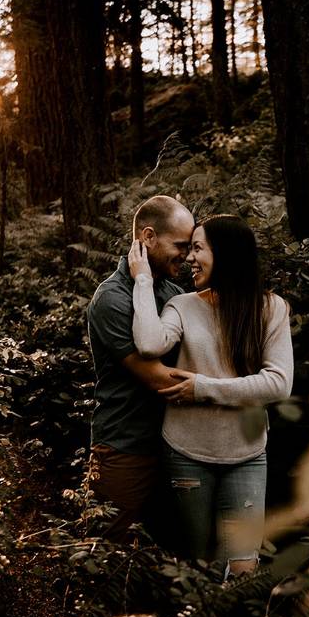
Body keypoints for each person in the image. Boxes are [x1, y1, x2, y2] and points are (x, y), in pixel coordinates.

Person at [127, 214, 293, 578]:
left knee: (243, 567)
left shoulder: (270, 309)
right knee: (199, 563)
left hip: (247, 455)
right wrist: (141, 279)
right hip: (186, 452)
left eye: (198, 248)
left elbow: (279, 383)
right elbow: (149, 342)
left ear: (226, 254)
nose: (190, 258)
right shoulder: (183, 306)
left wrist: (202, 388)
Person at [85, 195, 195, 540]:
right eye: (180, 245)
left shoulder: (174, 293)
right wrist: (237, 388)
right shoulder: (112, 299)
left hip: (174, 449)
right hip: (125, 449)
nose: (188, 256)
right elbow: (158, 379)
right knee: (109, 558)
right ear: (148, 238)